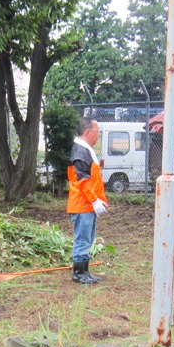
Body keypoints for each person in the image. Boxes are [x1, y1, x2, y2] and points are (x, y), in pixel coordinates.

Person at [67, 117, 108, 284]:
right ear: (87, 132)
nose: (98, 135)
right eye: (97, 131)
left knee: (87, 239)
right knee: (83, 239)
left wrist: (96, 201)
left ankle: (84, 272)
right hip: (82, 205)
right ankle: (79, 273)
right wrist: (94, 201)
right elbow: (83, 181)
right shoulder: (81, 152)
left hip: (86, 205)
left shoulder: (85, 150)